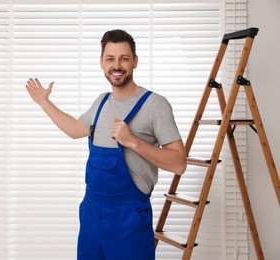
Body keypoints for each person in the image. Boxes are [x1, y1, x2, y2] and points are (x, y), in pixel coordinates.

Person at [25, 29, 186, 260]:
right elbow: (74, 129)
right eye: (110, 58)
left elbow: (179, 163)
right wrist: (43, 101)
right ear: (101, 62)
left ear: (135, 61)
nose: (117, 65)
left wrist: (132, 141)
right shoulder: (101, 103)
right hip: (91, 216)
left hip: (129, 221)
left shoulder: (155, 105)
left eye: (124, 58)